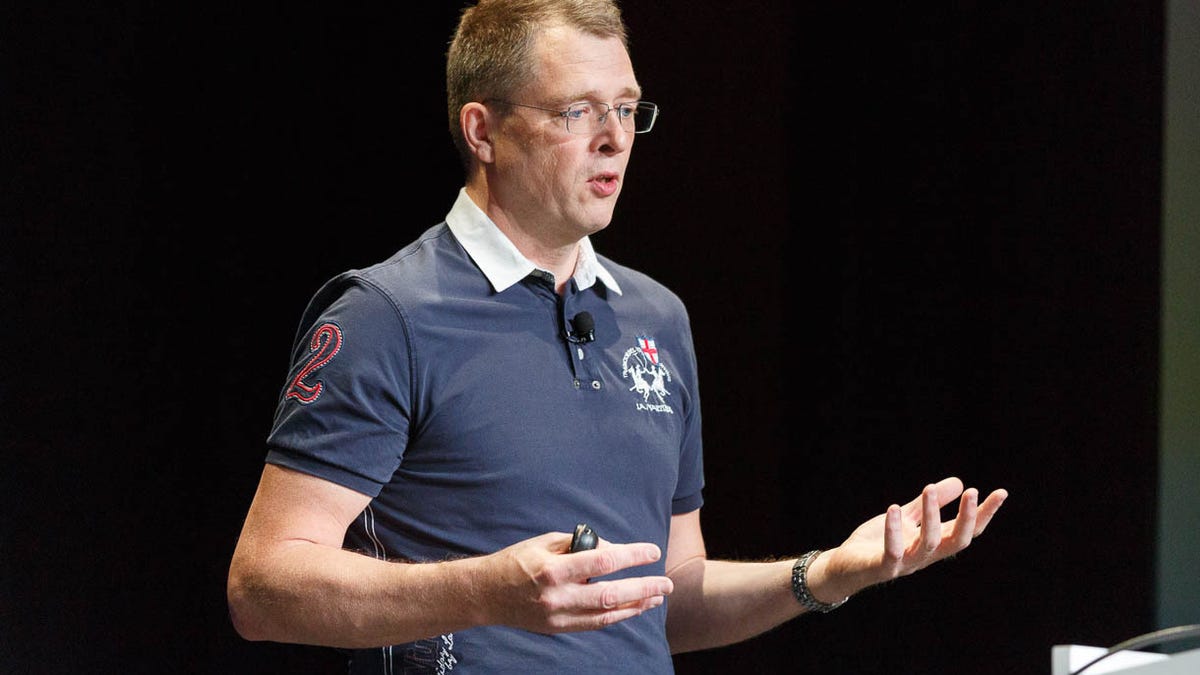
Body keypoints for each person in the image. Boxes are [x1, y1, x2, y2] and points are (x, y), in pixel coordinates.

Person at [226, 0, 1009, 672]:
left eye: (628, 109)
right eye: (577, 111)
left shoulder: (656, 318)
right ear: (483, 130)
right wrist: (486, 591)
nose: (615, 138)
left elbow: (669, 596)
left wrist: (828, 571)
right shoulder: (387, 313)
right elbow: (261, 587)